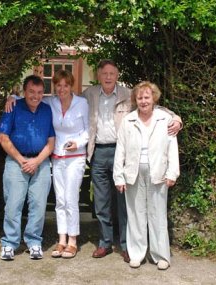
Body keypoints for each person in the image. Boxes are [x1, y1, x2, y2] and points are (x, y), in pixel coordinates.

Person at [83, 59, 182, 262]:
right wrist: (13, 97)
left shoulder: (128, 94)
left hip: (125, 152)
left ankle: (127, 246)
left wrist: (177, 118)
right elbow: (66, 101)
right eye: (104, 73)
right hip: (99, 151)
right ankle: (104, 243)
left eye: (112, 73)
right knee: (101, 202)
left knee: (126, 203)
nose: (108, 77)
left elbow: (153, 106)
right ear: (98, 76)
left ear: (117, 75)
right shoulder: (89, 94)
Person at [5, 70, 89, 259]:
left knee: (70, 198)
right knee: (60, 200)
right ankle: (61, 240)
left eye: (65, 85)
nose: (61, 89)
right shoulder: (50, 102)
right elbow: (27, 97)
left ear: (71, 86)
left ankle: (72, 241)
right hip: (56, 156)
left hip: (75, 156)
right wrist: (11, 96)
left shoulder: (81, 103)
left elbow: (87, 130)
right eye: (58, 85)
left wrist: (78, 143)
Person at [113, 81, 180, 270]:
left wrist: (172, 173)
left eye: (147, 97)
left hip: (158, 173)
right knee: (135, 215)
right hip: (133, 173)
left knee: (158, 215)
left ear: (154, 98)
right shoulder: (128, 120)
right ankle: (137, 254)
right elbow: (121, 150)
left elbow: (172, 147)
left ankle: (161, 256)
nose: (143, 101)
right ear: (135, 99)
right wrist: (119, 176)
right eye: (140, 97)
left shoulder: (164, 118)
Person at [0, 75, 55, 261]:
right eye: (31, 92)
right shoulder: (12, 107)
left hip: (41, 162)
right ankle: (9, 243)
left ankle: (33, 241)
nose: (35, 96)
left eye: (39, 92)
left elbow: (51, 142)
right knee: (13, 203)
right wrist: (22, 160)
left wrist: (37, 161)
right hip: (16, 161)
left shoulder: (47, 110)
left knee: (38, 204)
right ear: (24, 91)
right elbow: (3, 139)